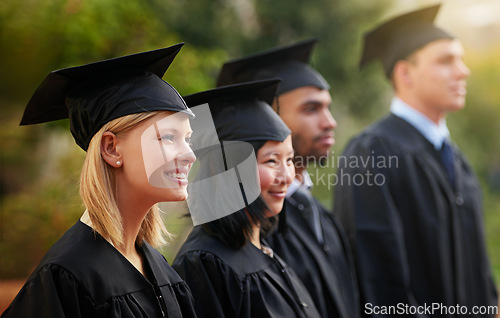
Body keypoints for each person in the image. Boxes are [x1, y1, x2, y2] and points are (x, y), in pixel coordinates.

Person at [2, 44, 198, 318]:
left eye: (187, 139)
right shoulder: (66, 277)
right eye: (168, 137)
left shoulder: (159, 269)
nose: (189, 155)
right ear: (111, 149)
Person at [333, 4, 498, 317]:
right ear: (405, 73)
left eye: (461, 60)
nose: (463, 71)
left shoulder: (457, 161)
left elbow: (479, 271)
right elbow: (376, 279)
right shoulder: (371, 153)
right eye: (446, 61)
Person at [216, 39, 360, 318]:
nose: (330, 122)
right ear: (270, 117)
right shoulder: (253, 227)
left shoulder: (321, 216)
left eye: (328, 107)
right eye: (311, 109)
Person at [172, 79, 321, 318]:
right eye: (272, 161)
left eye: (290, 160)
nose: (287, 176)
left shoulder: (261, 246)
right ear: (231, 171)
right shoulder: (204, 263)